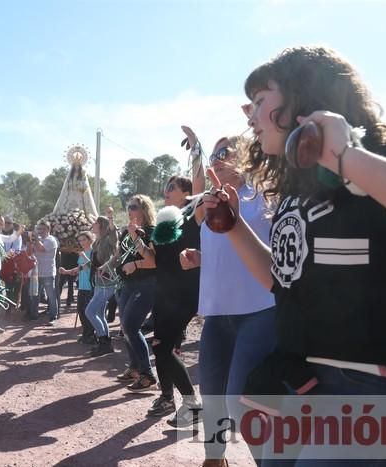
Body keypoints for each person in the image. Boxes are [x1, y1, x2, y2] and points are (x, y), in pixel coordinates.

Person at [210, 46, 386, 465]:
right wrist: (234, 227)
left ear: (301, 93)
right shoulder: (299, 185)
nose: (249, 117)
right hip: (298, 379)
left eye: (259, 101)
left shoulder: (385, 151)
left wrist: (348, 157)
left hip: (369, 390)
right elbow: (282, 281)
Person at [181, 134, 276, 467]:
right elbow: (230, 252)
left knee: (241, 401)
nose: (218, 157)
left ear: (247, 156)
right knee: (212, 400)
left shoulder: (264, 195)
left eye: (225, 151)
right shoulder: (210, 202)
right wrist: (201, 259)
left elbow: (269, 254)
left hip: (259, 312)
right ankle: (215, 460)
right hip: (217, 315)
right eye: (215, 152)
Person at [144, 174, 203, 426]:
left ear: (186, 193)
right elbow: (153, 260)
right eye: (165, 187)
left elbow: (202, 190)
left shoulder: (194, 216)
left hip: (184, 292)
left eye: (172, 188)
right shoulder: (166, 221)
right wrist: (137, 238)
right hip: (163, 292)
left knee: (164, 347)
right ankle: (168, 398)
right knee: (159, 346)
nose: (166, 191)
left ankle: (192, 404)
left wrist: (195, 149)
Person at [112, 194, 158, 392]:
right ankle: (134, 368)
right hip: (127, 285)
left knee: (131, 326)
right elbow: (120, 256)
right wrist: (109, 266)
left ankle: (148, 374)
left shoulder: (151, 232)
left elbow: (152, 261)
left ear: (144, 210)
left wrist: (134, 237)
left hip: (146, 284)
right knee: (125, 327)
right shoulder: (125, 232)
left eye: (134, 207)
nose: (130, 210)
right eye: (128, 206)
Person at [84, 211, 119, 356]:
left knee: (90, 312)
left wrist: (110, 218)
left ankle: (104, 341)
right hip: (99, 282)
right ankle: (105, 344)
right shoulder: (97, 241)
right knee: (99, 313)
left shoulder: (107, 240)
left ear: (102, 226)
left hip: (107, 282)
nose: (93, 224)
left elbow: (114, 235)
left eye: (96, 223)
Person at [59, 231, 95, 344]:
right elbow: (80, 268)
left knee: (88, 312)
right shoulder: (83, 252)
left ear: (90, 240)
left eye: (84, 240)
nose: (82, 242)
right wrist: (67, 272)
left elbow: (91, 267)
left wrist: (84, 256)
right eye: (80, 241)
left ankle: (91, 335)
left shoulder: (93, 252)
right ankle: (86, 333)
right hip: (82, 286)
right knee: (80, 310)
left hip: (91, 286)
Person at [33, 221, 59, 324]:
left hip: (48, 273)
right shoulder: (38, 240)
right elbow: (31, 251)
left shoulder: (51, 240)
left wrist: (35, 238)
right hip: (37, 272)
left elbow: (41, 249)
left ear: (48, 229)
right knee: (35, 295)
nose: (40, 231)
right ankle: (34, 315)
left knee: (51, 296)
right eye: (39, 229)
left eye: (43, 229)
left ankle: (53, 316)